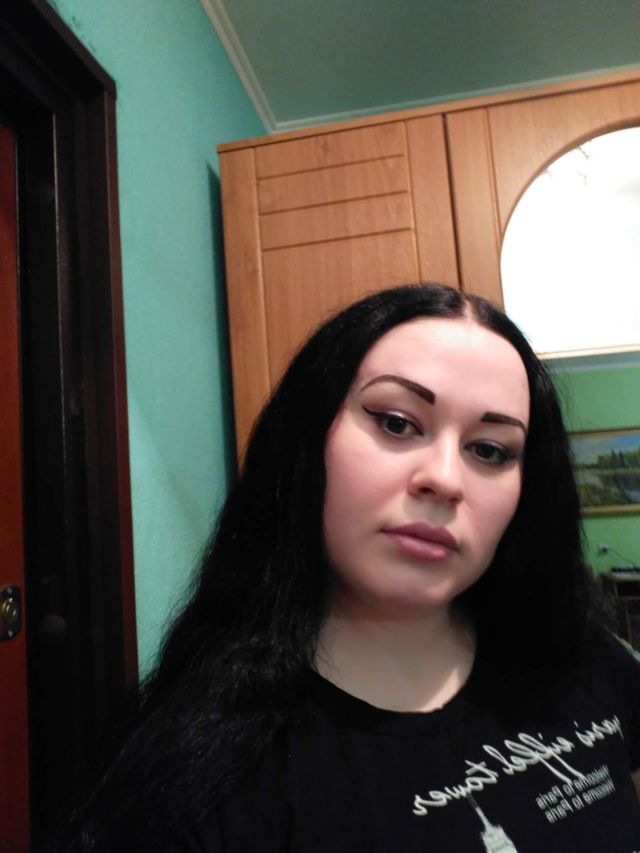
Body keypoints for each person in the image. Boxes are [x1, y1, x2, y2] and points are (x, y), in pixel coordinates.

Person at [60, 283, 640, 852]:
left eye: (490, 450)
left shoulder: (586, 660)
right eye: (396, 422)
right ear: (307, 441)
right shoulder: (197, 778)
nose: (444, 479)